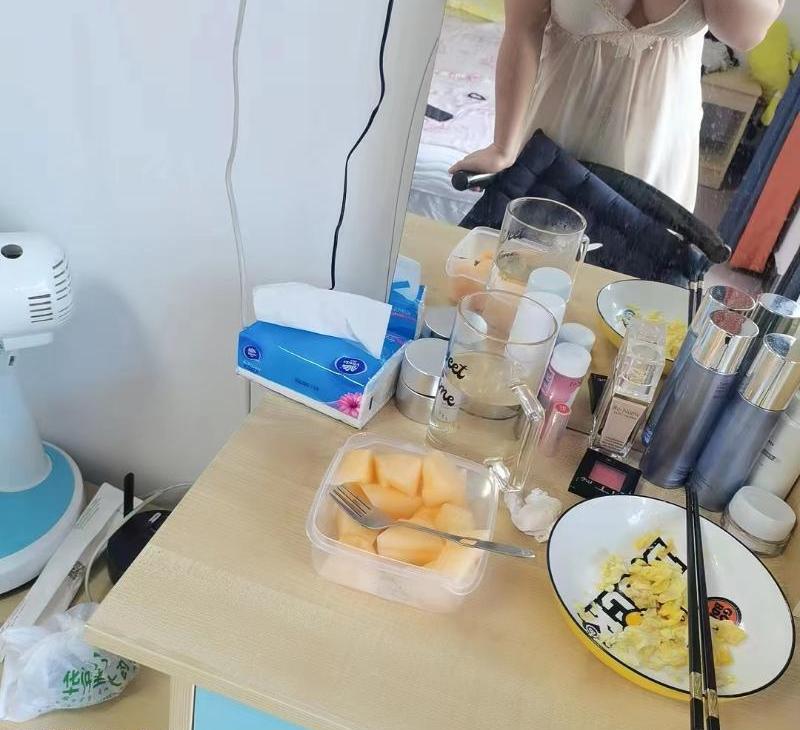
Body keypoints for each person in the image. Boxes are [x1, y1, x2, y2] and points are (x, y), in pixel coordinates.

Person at [450, 0, 785, 210]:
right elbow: (524, 30)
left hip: (658, 153)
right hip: (557, 136)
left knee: (632, 283)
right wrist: (503, 146)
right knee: (526, 272)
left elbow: (743, 33)